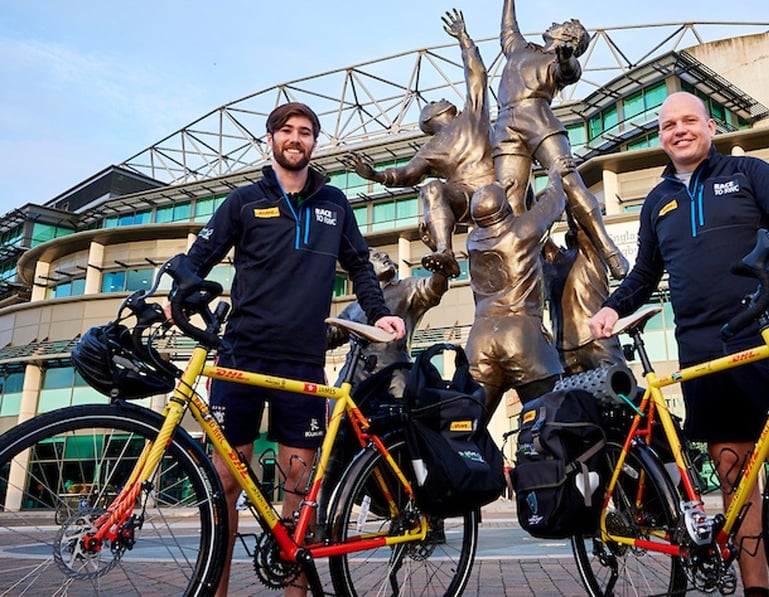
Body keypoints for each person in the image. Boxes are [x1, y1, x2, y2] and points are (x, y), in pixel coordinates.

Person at [589, 92, 769, 597]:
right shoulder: (656, 201)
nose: (679, 130)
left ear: (711, 126)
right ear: (661, 136)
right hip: (701, 348)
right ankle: (757, 591)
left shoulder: (748, 171)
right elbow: (645, 273)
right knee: (734, 474)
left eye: (689, 120)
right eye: (669, 125)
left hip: (763, 334)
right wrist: (613, 308)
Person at [175, 101, 405, 597]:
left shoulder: (335, 203)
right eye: (286, 131)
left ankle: (295, 591)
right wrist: (182, 293)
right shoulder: (242, 200)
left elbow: (360, 265)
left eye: (305, 132)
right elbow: (201, 256)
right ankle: (215, 590)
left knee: (298, 486)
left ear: (314, 143)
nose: (295, 139)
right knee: (225, 483)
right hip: (240, 353)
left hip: (302, 357)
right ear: (271, 140)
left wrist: (380, 309)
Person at [341, 9, 491, 279]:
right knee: (432, 188)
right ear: (430, 117)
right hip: (466, 197)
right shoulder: (430, 149)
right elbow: (405, 175)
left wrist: (464, 39)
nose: (441, 98)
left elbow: (477, 76)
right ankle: (445, 251)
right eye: (434, 102)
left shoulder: (473, 116)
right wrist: (373, 174)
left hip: (496, 185)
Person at [493, 0, 629, 281]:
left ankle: (610, 250)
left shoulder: (558, 60)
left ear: (568, 37)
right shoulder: (522, 49)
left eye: (562, 25)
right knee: (509, 200)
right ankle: (521, 273)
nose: (553, 24)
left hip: (538, 119)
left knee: (567, 178)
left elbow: (568, 72)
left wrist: (566, 58)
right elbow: (508, 30)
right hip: (506, 126)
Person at [465, 179, 565, 420]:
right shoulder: (523, 230)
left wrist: (504, 186)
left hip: (479, 340)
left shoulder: (472, 242)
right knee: (552, 421)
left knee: (468, 429)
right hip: (522, 338)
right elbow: (555, 200)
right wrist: (554, 172)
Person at [331, 248, 449, 397]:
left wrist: (442, 268)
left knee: (403, 413)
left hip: (395, 371)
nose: (385, 257)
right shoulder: (353, 308)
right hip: (353, 373)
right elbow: (329, 335)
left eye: (386, 255)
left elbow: (432, 288)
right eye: (377, 256)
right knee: (334, 414)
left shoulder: (407, 287)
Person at [543, 218, 625, 375]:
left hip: (594, 339)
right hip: (567, 347)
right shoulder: (555, 260)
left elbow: (581, 220)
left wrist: (562, 196)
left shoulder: (589, 254)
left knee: (619, 391)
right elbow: (537, 232)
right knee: (615, 391)